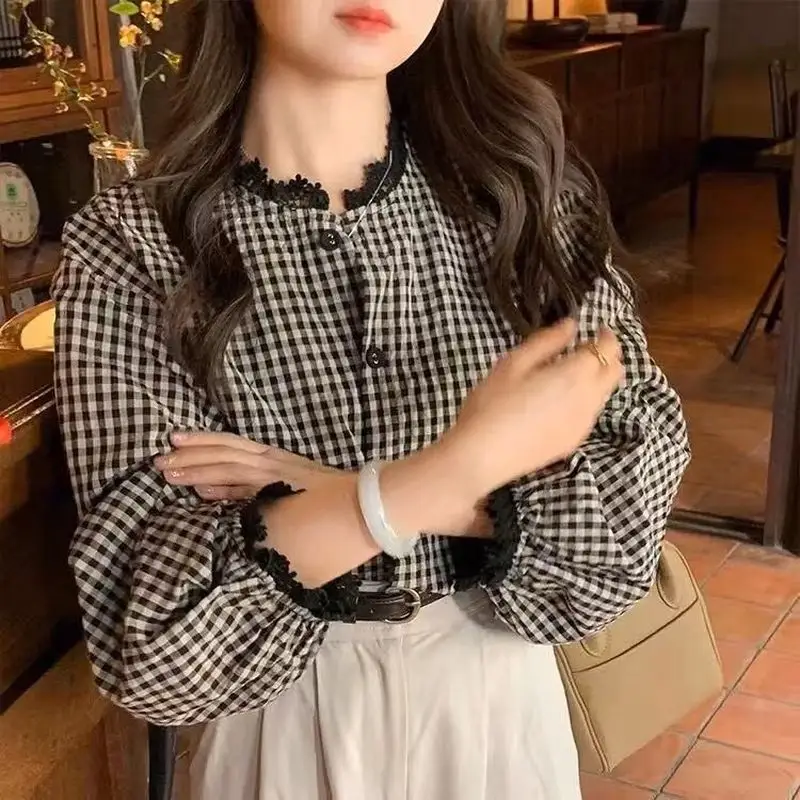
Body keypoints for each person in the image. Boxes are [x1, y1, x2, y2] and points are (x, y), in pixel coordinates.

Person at [52, 1, 690, 798]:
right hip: (280, 732)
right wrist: (459, 473)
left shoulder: (525, 196)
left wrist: (340, 497)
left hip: (499, 709)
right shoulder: (132, 242)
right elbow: (157, 654)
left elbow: (620, 546)